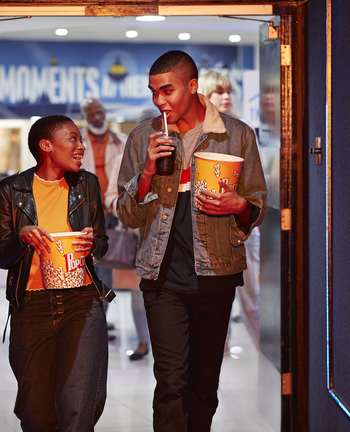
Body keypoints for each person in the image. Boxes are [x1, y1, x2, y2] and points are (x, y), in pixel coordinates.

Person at [115, 51, 267, 431]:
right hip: (161, 278)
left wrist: (238, 205)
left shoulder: (236, 135)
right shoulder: (142, 138)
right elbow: (127, 213)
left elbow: (256, 207)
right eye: (153, 92)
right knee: (170, 382)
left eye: (167, 90)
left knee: (203, 384)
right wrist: (147, 171)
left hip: (216, 273)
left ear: (194, 86)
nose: (159, 101)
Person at [0, 115, 113, 431]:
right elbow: (0, 257)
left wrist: (91, 244)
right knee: (36, 414)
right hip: (30, 309)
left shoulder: (87, 184)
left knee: (77, 411)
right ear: (47, 145)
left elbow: (102, 244)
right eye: (72, 139)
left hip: (82, 304)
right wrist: (21, 237)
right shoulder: (11, 190)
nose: (81, 146)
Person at [199, 69, 262, 350]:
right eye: (218, 91)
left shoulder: (241, 131)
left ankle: (264, 347)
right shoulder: (194, 133)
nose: (225, 97)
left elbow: (255, 189)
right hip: (205, 226)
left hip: (238, 224)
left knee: (251, 295)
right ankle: (218, 343)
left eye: (228, 91)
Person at [103, 107, 158, 361]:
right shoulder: (123, 159)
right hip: (135, 238)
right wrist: (129, 207)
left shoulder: (173, 156)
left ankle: (163, 343)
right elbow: (111, 199)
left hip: (167, 238)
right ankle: (144, 342)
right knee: (138, 294)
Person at [79, 96, 128, 340]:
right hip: (85, 216)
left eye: (99, 112)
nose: (97, 117)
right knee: (89, 270)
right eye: (91, 114)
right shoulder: (76, 141)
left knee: (108, 271)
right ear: (85, 117)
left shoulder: (121, 141)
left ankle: (102, 321)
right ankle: (93, 322)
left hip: (111, 215)